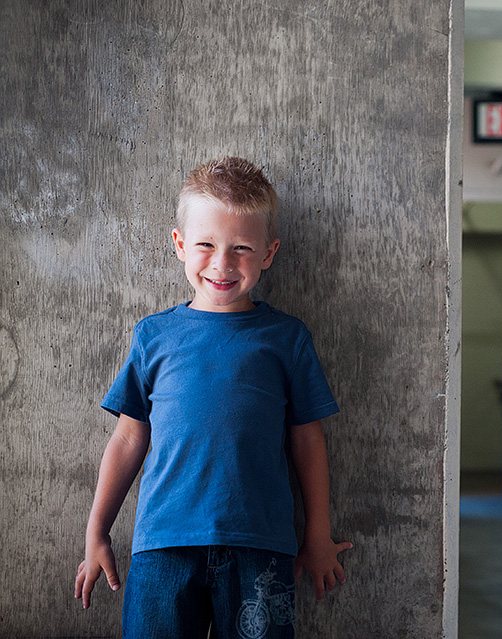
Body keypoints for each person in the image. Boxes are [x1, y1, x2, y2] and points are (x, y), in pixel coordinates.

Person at [74, 156, 352, 638]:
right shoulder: (153, 336)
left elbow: (308, 441)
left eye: (242, 247)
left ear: (269, 252)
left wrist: (317, 534)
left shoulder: (286, 338)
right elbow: (126, 440)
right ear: (180, 245)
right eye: (206, 244)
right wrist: (97, 531)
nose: (223, 263)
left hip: (261, 546)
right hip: (163, 545)